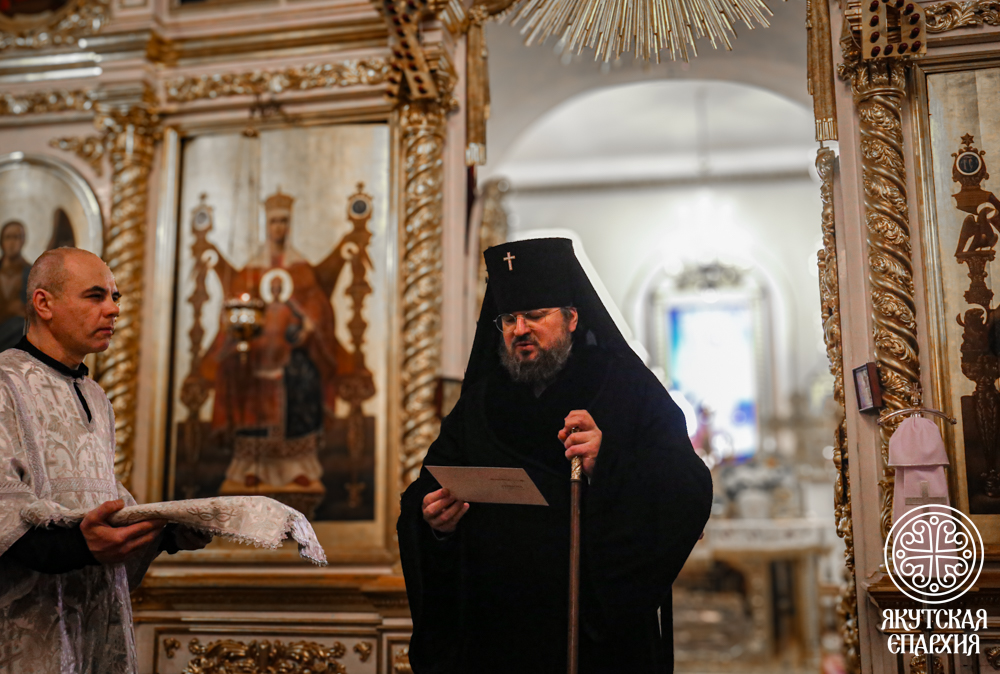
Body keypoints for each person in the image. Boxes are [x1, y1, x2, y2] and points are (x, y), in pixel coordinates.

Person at [397, 238, 714, 674]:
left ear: (571, 317)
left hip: (593, 633)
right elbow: (426, 491)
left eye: (535, 315)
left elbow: (687, 486)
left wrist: (606, 461)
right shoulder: (480, 402)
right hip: (497, 636)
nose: (519, 329)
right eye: (509, 319)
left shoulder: (625, 387)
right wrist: (435, 523)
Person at [0, 247, 210, 674]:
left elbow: (102, 501)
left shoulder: (96, 396)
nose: (113, 309)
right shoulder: (5, 382)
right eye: (95, 296)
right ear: (44, 303)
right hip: (26, 626)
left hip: (97, 620)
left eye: (115, 297)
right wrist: (80, 546)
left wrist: (166, 532)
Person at [200, 189, 355, 492]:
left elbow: (317, 307)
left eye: (284, 221)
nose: (279, 228)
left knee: (303, 381)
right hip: (257, 354)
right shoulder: (252, 269)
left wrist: (308, 329)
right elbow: (235, 307)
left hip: (291, 353)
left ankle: (298, 468)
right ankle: (249, 468)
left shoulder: (300, 268)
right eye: (274, 222)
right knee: (244, 384)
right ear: (267, 225)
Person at [0, 219, 30, 351]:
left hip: (17, 339)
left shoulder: (32, 273)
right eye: (8, 237)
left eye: (16, 237)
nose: (12, 243)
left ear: (23, 241)